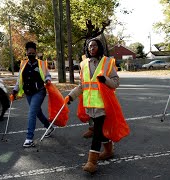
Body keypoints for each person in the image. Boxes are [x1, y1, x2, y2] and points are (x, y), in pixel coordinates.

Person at [65, 38, 120, 173]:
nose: (91, 48)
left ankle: (92, 161)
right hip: (90, 105)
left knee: (97, 132)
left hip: (103, 105)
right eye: (89, 47)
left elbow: (116, 82)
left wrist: (105, 80)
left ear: (99, 47)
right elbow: (82, 86)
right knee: (100, 132)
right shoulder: (83, 64)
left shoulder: (107, 62)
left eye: (94, 46)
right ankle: (108, 151)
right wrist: (71, 96)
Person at [11, 41, 55, 147]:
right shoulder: (23, 64)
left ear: (35, 53)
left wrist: (48, 80)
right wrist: (15, 90)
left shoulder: (41, 63)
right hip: (28, 93)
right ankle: (49, 126)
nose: (31, 54)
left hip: (39, 91)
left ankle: (29, 138)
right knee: (37, 112)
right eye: (29, 52)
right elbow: (19, 79)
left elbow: (47, 75)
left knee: (31, 112)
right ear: (26, 53)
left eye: (32, 52)